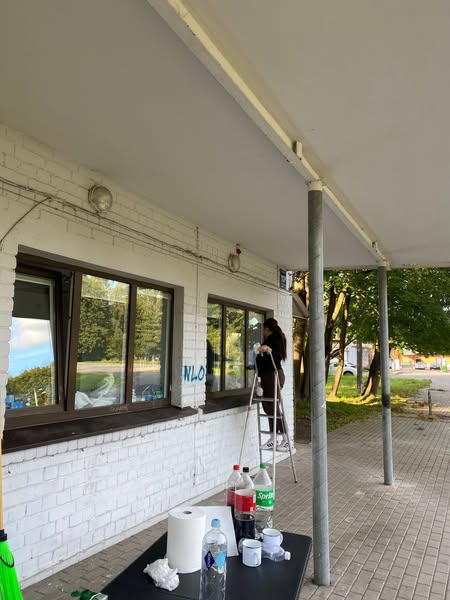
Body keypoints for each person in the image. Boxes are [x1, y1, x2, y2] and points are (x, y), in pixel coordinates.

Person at [255, 318, 289, 452]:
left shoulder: (274, 339)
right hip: (268, 377)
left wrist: (267, 349)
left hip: (273, 376)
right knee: (269, 408)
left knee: (272, 407)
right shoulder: (272, 339)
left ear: (267, 328)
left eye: (263, 329)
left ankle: (284, 439)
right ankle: (273, 438)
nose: (263, 332)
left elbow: (276, 356)